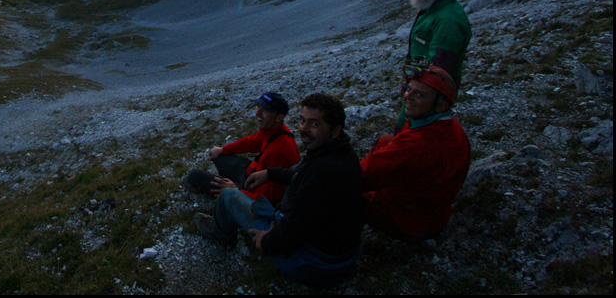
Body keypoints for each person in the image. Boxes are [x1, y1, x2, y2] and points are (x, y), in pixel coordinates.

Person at [194, 93, 363, 288]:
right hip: (339, 256)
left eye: (314, 124)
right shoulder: (340, 155)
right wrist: (271, 174)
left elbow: (293, 229)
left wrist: (265, 242)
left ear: (335, 130)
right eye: (302, 121)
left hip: (315, 266)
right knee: (225, 177)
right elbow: (300, 176)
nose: (304, 129)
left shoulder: (321, 173)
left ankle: (220, 233)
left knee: (227, 195)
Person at [361, 65, 472, 242]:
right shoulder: (448, 124)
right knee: (385, 141)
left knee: (343, 190)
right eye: (409, 90)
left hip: (410, 222)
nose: (407, 97)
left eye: (420, 95)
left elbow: (358, 177)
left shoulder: (417, 144)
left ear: (440, 105)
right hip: (432, 210)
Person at [182, 92, 299, 206]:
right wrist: (222, 149)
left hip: (253, 194)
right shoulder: (274, 131)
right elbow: (251, 142)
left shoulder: (279, 152)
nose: (257, 113)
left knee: (195, 175)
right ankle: (229, 185)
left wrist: (236, 192)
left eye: (265, 110)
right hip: (252, 175)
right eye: (258, 107)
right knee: (220, 157)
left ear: (279, 117)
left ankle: (224, 199)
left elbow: (269, 201)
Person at [408, 0, 472, 86]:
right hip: (419, 80)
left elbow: (441, 64)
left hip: (431, 87)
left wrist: (418, 87)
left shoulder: (448, 20)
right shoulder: (432, 7)